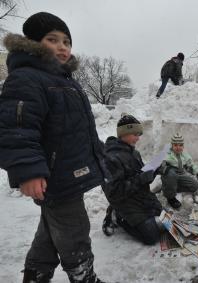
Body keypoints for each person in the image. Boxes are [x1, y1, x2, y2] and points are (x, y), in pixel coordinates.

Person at [0, 12, 106, 282]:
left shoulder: (66, 82)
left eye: (67, 41)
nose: (63, 47)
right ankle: (84, 276)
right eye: (52, 39)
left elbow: (75, 130)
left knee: (50, 231)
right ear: (33, 43)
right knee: (74, 231)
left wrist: (101, 155)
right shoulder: (26, 79)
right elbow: (17, 129)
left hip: (67, 175)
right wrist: (28, 171)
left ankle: (36, 274)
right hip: (54, 176)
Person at [101, 113, 164, 245]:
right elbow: (114, 192)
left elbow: (139, 175)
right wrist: (141, 178)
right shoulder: (110, 158)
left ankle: (128, 216)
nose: (138, 138)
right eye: (135, 134)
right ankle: (117, 216)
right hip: (124, 201)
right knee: (152, 237)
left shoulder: (134, 153)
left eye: (139, 135)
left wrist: (154, 170)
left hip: (140, 197)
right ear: (124, 133)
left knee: (164, 220)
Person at [160, 133, 198, 209]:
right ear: (172, 145)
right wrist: (164, 168)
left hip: (180, 175)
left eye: (180, 145)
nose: (178, 147)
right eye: (175, 145)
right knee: (171, 175)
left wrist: (197, 172)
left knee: (195, 185)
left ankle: (172, 187)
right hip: (169, 175)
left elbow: (190, 163)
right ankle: (170, 197)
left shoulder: (184, 154)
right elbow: (158, 163)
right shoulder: (167, 153)